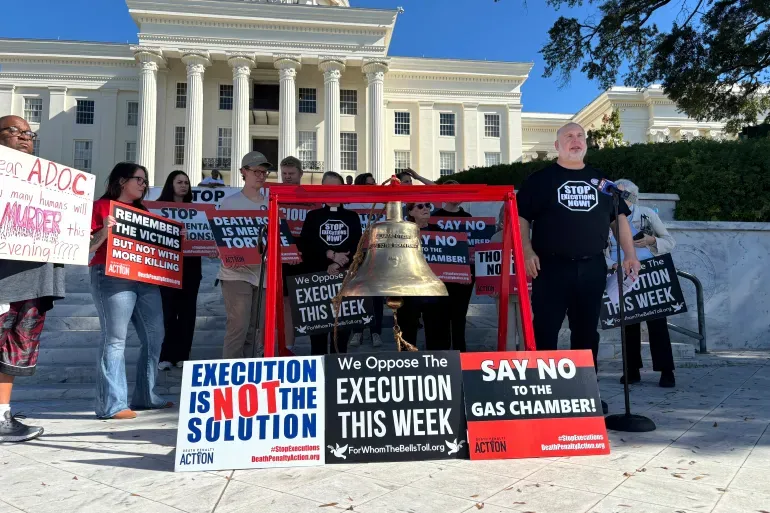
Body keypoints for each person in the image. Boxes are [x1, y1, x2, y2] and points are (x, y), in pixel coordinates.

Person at [516, 122, 640, 415]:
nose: (576, 140)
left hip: (592, 267)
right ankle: (543, 394)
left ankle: (584, 393)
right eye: (569, 136)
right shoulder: (540, 180)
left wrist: (630, 254)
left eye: (581, 136)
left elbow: (619, 219)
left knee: (586, 334)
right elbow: (520, 217)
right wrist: (526, 250)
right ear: (557, 145)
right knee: (545, 330)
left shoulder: (602, 182)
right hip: (550, 267)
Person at [89, 162, 173, 419]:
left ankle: (146, 396)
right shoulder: (100, 207)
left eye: (145, 181)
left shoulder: (144, 212)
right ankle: (112, 404)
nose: (143, 184)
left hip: (145, 279)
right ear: (122, 181)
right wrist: (104, 231)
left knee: (155, 336)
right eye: (139, 179)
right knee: (115, 339)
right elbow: (87, 247)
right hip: (112, 276)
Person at [0, 115, 64, 441]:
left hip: (34, 280)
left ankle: (1, 416)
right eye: (16, 131)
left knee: (12, 354)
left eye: (29, 133)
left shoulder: (49, 180)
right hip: (3, 279)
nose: (25, 137)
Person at [606, 179, 677, 388]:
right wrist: (611, 265)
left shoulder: (647, 214)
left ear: (633, 197)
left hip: (650, 273)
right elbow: (601, 249)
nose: (619, 199)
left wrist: (651, 241)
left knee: (658, 323)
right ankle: (631, 370)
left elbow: (670, 242)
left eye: (623, 195)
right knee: (628, 322)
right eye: (615, 195)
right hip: (621, 273)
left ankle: (666, 371)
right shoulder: (606, 216)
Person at [297, 172, 362, 355]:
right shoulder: (313, 216)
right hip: (317, 282)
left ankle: (338, 370)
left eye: (335, 188)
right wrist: (329, 255)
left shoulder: (352, 217)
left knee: (341, 338)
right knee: (317, 338)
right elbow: (305, 245)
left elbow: (357, 247)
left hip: (344, 281)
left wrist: (339, 263)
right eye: (327, 187)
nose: (331, 192)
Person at [218, 152, 271, 359]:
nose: (261, 176)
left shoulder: (270, 204)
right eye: (256, 171)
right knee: (238, 327)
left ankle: (248, 370)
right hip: (235, 273)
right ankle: (229, 372)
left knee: (254, 330)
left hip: (262, 274)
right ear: (243, 172)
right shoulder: (229, 203)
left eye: (264, 172)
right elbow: (220, 239)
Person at [156, 171, 202, 370]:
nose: (184, 186)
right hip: (166, 267)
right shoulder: (157, 208)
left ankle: (183, 355)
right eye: (179, 182)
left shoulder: (197, 211)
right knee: (167, 312)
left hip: (191, 268)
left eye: (186, 183)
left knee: (187, 313)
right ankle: (165, 355)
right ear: (170, 184)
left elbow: (204, 237)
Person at [399, 202, 451, 350]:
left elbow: (451, 260)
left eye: (428, 205)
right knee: (407, 332)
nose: (426, 208)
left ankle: (437, 361)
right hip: (410, 291)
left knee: (437, 332)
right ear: (410, 212)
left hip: (434, 291)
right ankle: (407, 362)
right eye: (420, 206)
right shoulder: (402, 234)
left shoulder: (440, 232)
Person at [432, 180, 474, 352]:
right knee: (441, 315)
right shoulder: (434, 218)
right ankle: (443, 352)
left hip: (464, 278)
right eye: (452, 191)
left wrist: (468, 274)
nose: (456, 196)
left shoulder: (468, 219)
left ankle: (460, 351)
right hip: (440, 278)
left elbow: (473, 249)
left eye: (459, 192)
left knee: (460, 316)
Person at [349, 172, 383, 348]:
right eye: (370, 184)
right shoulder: (351, 205)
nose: (374, 186)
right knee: (358, 293)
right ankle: (357, 331)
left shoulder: (381, 204)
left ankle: (376, 331)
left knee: (376, 295)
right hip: (358, 254)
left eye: (375, 183)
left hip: (377, 254)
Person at [279, 156, 305, 350]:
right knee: (275, 302)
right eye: (284, 173)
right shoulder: (273, 194)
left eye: (291, 173)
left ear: (300, 174)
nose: (287, 177)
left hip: (301, 256)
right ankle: (267, 345)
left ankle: (289, 346)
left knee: (291, 303)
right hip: (278, 255)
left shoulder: (308, 196)